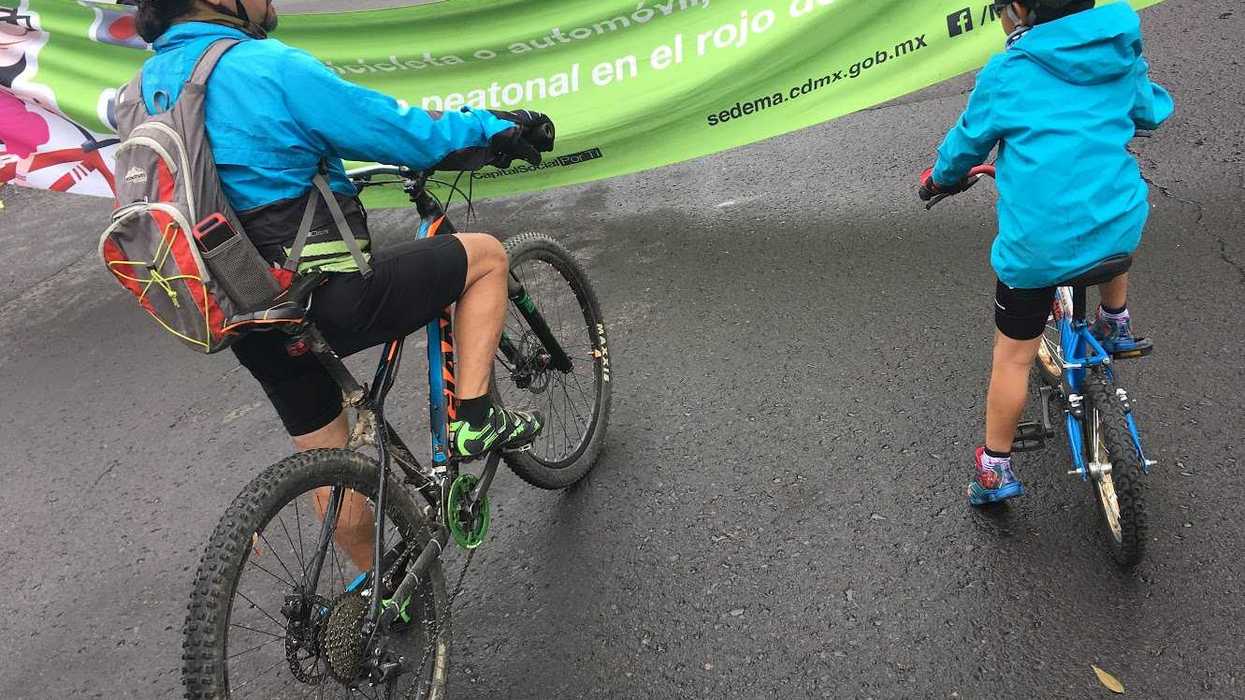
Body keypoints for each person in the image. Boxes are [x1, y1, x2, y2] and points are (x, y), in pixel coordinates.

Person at [134, 0, 552, 566]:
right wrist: (496, 129)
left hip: (237, 313)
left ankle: (375, 598)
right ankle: (475, 419)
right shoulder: (264, 68)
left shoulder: (138, 91)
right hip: (322, 296)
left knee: (330, 460)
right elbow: (400, 130)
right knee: (486, 257)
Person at [918, 0, 1172, 505]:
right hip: (1119, 225)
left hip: (1037, 249)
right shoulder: (1120, 46)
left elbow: (966, 147)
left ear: (1016, 9)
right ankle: (1115, 320)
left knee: (1012, 357)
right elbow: (1150, 112)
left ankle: (995, 471)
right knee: (1109, 223)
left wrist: (938, 181)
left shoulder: (1010, 71)